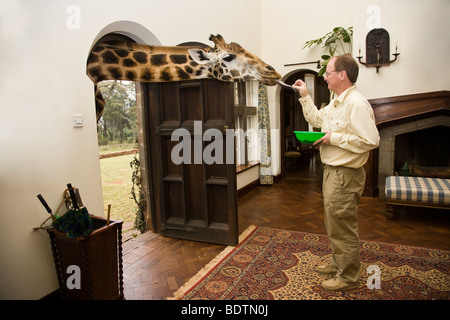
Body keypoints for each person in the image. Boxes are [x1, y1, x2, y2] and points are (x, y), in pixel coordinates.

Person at [293, 54, 380, 292]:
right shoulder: (337, 101)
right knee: (334, 222)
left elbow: (371, 140)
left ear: (342, 75)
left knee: (342, 226)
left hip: (345, 174)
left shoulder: (356, 103)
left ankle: (349, 276)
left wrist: (334, 138)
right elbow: (317, 119)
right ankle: (338, 262)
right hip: (333, 172)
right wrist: (305, 97)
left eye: (328, 72)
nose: (324, 77)